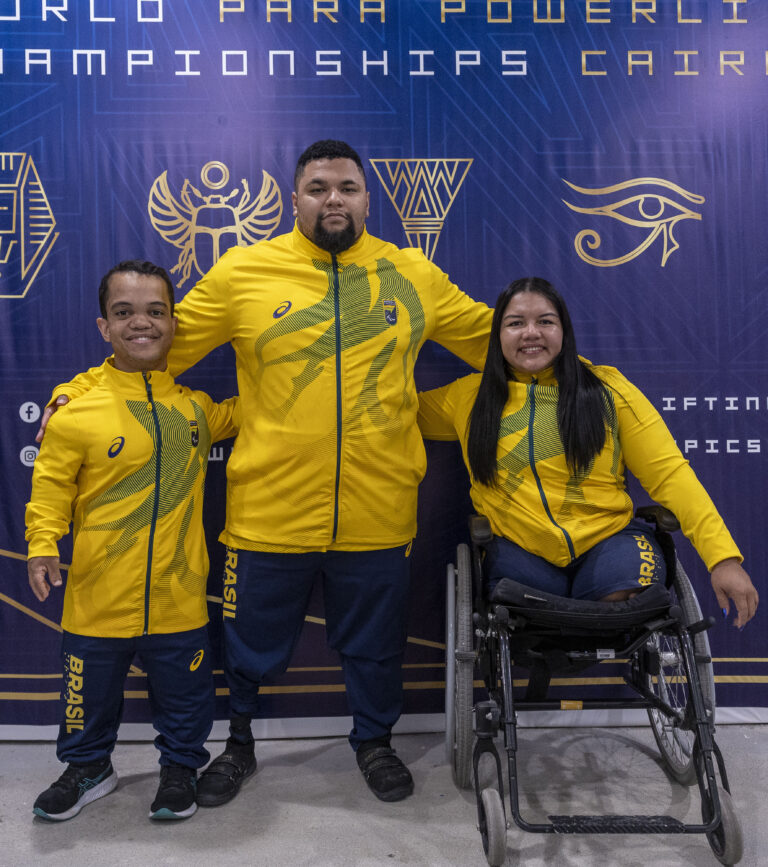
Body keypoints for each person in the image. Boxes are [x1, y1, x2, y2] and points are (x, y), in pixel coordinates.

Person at [38, 141, 493, 805]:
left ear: (368, 200)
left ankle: (374, 741)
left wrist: (579, 376)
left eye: (347, 188)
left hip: (379, 508)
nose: (333, 199)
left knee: (375, 645)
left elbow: (497, 340)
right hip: (267, 512)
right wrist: (75, 392)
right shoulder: (244, 272)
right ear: (293, 199)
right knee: (247, 644)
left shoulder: (413, 274)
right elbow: (153, 348)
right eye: (318, 187)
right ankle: (239, 743)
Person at [26, 260, 239, 822]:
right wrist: (42, 544)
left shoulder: (196, 409)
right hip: (96, 598)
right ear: (104, 326)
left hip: (178, 597)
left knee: (186, 699)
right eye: (123, 312)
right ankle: (87, 768)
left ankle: (180, 769)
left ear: (173, 324)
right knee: (86, 699)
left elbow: (261, 408)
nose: (140, 323)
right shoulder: (75, 411)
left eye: (155, 311)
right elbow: (50, 488)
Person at [417, 277, 758, 622]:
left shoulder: (609, 389)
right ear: (498, 335)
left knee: (622, 597)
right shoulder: (466, 397)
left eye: (545, 321)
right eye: (515, 323)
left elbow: (669, 474)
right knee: (523, 607)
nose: (531, 333)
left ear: (564, 331)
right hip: (520, 550)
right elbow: (397, 412)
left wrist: (723, 559)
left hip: (609, 543)